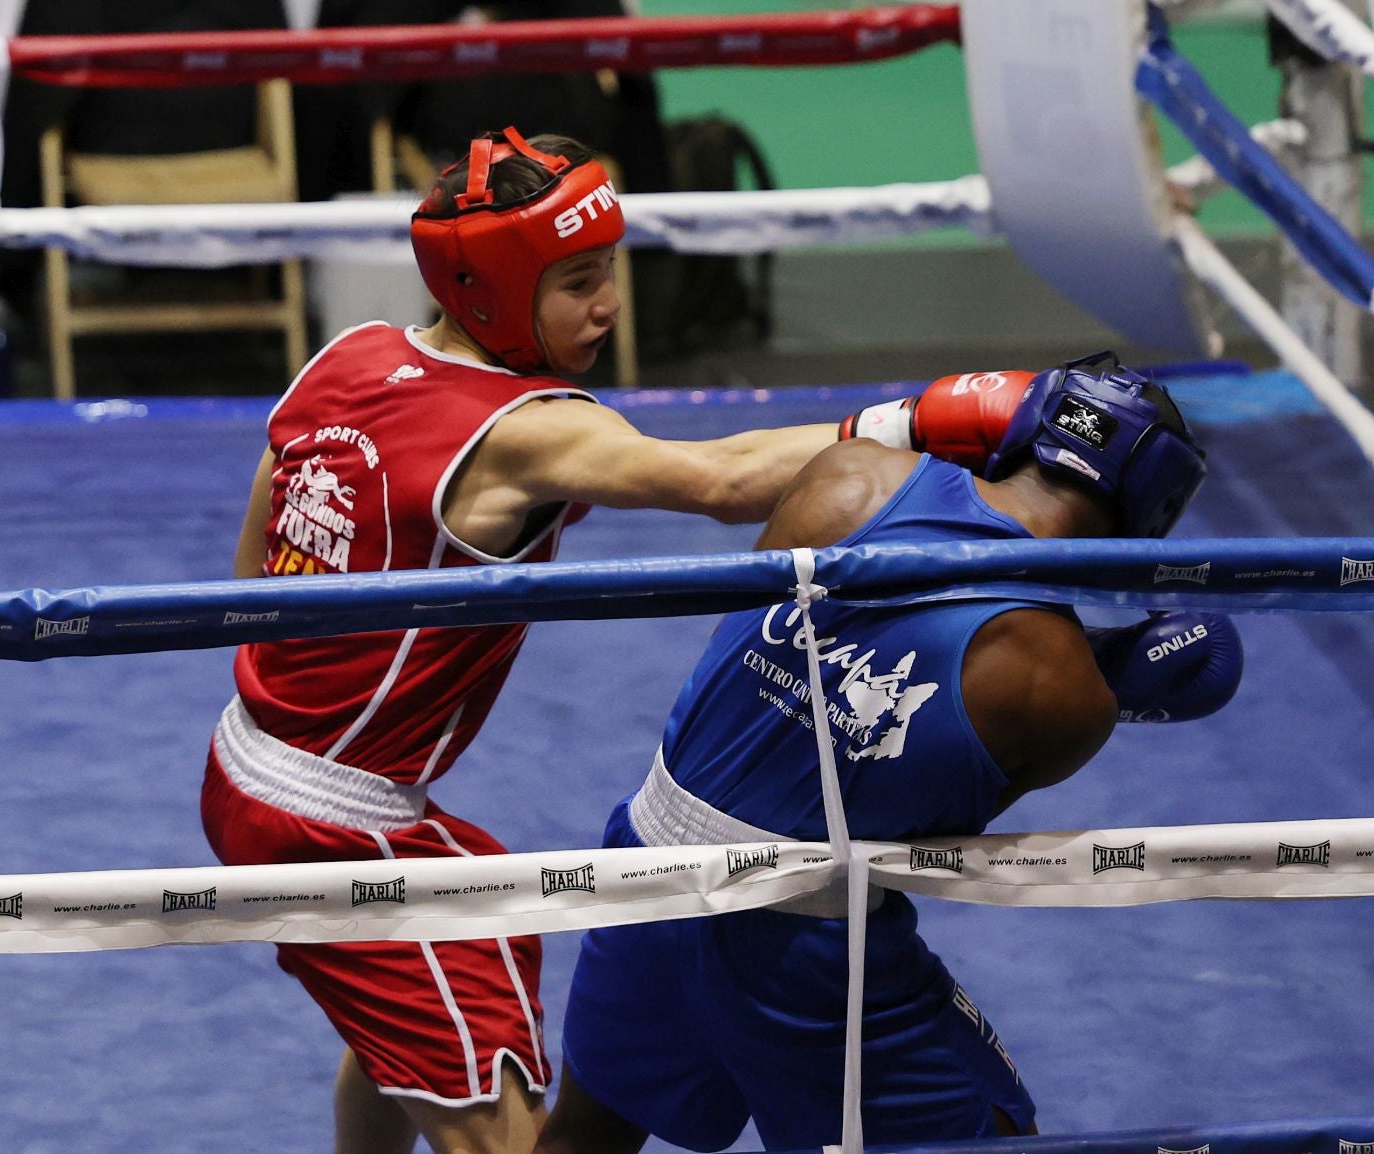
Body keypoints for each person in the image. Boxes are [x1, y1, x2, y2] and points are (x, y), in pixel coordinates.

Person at [196, 126, 1035, 1154]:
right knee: (498, 1109)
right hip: (332, 817)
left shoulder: (351, 356)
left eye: (611, 270)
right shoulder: (524, 426)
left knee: (415, 1012)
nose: (610, 303)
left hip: (252, 754)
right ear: (494, 293)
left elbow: (249, 573)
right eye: (579, 280)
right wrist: (927, 418)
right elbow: (724, 481)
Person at [537, 353, 1245, 1151]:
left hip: (643, 863)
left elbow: (734, 642)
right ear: (1154, 509)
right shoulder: (1063, 694)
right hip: (796, 944)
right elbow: (917, 821)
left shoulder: (849, 473)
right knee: (993, 1128)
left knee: (584, 1138)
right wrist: (1114, 676)